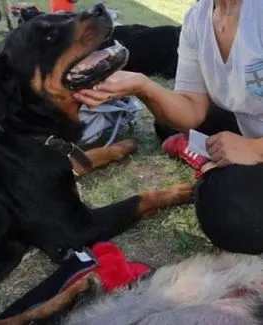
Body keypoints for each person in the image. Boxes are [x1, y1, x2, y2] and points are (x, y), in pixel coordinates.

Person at [73, 0, 263, 255]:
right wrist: (141, 86)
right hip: (249, 123)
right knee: (166, 122)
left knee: (232, 214)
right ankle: (208, 157)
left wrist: (254, 149)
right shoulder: (198, 18)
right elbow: (191, 109)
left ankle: (210, 164)